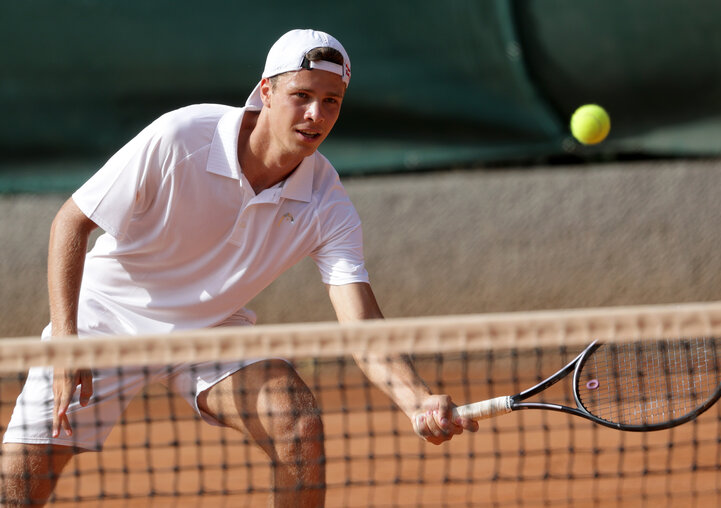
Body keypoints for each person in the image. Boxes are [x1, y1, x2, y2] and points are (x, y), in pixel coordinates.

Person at [1, 29, 478, 506]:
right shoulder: (181, 137)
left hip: (212, 331)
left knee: (297, 420)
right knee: (17, 488)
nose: (316, 115)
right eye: (302, 96)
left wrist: (416, 398)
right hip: (104, 318)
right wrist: (65, 340)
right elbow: (70, 222)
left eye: (331, 101)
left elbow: (361, 324)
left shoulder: (327, 204)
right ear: (266, 91)